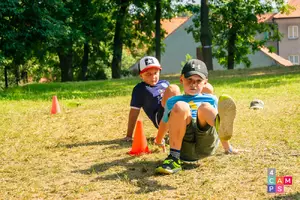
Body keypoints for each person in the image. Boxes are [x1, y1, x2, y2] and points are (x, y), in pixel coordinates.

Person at [154, 59, 238, 174]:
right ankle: (173, 159)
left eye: (198, 81)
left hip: (206, 143)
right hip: (184, 146)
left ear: (205, 83)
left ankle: (220, 123)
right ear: (181, 79)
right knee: (180, 106)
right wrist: (159, 140)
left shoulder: (211, 99)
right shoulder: (172, 101)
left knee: (205, 107)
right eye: (189, 80)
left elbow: (222, 129)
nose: (193, 84)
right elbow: (165, 123)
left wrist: (228, 147)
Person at [124, 56, 214, 141]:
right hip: (162, 117)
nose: (153, 77)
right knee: (173, 89)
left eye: (155, 73)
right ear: (141, 75)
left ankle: (208, 122)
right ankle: (176, 128)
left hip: (179, 109)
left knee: (207, 87)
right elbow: (134, 112)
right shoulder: (140, 89)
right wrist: (129, 135)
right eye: (148, 74)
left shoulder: (164, 83)